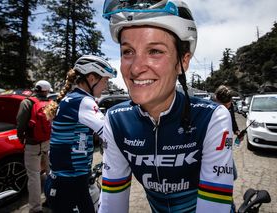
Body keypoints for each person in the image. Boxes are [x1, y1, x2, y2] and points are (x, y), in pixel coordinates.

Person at [99, 1, 234, 213]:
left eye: (154, 51)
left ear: (183, 62)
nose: (135, 68)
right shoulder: (117, 120)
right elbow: (111, 204)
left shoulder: (211, 118)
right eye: (127, 51)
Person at [43, 55, 116, 213]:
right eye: (105, 81)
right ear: (91, 78)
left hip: (60, 181)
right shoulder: (83, 101)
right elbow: (111, 135)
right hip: (71, 184)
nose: (106, 86)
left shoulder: (71, 98)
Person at [16, 80, 52, 213]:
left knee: (34, 176)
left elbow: (20, 123)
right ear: (47, 91)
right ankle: (51, 200)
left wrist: (21, 137)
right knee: (50, 173)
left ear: (36, 89)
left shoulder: (27, 102)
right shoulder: (51, 104)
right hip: (48, 142)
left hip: (32, 143)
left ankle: (36, 208)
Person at [214, 85, 243, 181]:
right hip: (213, 149)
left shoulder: (230, 107)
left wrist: (237, 132)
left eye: (228, 105)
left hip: (226, 148)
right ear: (216, 99)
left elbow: (233, 121)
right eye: (223, 106)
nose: (226, 108)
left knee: (233, 175)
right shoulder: (209, 109)